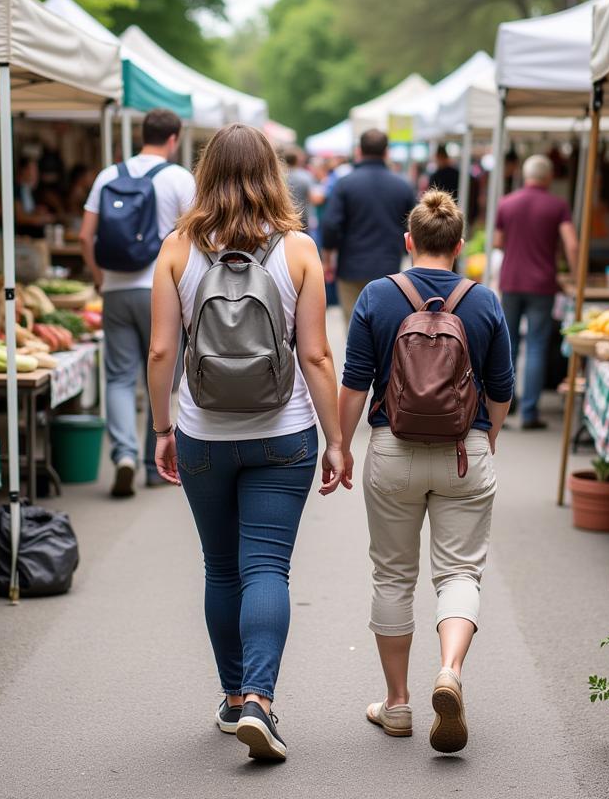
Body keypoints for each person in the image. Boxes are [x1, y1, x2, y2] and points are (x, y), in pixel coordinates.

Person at [147, 124, 349, 762]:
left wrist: (160, 427)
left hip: (203, 432)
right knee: (267, 567)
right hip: (284, 432)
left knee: (221, 567)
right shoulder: (298, 250)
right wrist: (338, 440)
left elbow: (160, 350)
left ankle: (234, 698)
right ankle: (261, 700)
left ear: (204, 174)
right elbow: (315, 354)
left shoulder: (177, 248)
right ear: (274, 173)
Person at [339, 190, 513, 754]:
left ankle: (396, 706)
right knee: (459, 573)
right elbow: (504, 388)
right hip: (465, 451)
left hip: (392, 448)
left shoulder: (377, 296)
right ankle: (450, 671)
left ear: (408, 241)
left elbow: (354, 380)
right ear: (459, 247)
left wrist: (340, 445)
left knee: (392, 576)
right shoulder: (483, 301)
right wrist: (488, 437)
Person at [79, 108, 195, 496]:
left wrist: (100, 280)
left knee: (118, 377)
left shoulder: (108, 175)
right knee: (162, 375)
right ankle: (153, 462)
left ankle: (123, 455)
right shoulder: (179, 178)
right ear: (173, 139)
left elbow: (85, 236)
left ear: (140, 135)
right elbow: (198, 236)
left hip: (115, 290)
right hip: (165, 293)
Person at [493, 154, 577, 429]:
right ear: (549, 177)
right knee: (537, 346)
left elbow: (497, 241)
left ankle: (502, 411)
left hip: (511, 280)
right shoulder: (557, 206)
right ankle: (529, 413)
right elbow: (572, 244)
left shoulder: (507, 203)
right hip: (542, 284)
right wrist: (575, 276)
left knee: (508, 345)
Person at [321, 129, 416, 325]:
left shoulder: (345, 184)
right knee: (385, 327)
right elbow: (415, 226)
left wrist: (327, 259)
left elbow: (330, 225)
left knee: (354, 328)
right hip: (389, 268)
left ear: (359, 151)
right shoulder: (403, 185)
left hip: (350, 268)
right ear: (387, 152)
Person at [284, 147, 322, 232]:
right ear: (297, 160)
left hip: (283, 218)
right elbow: (314, 198)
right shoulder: (305, 176)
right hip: (302, 218)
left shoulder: (279, 176)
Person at [13, 157, 52, 237]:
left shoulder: (30, 190)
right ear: (23, 171)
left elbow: (28, 211)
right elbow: (19, 218)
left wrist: (36, 211)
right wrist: (40, 219)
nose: (36, 174)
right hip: (21, 235)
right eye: (33, 170)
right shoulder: (15, 190)